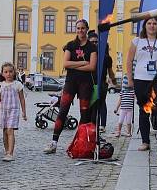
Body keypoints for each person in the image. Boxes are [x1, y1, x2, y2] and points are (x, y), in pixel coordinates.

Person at [43, 19, 97, 154]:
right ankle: (54, 142)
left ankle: (80, 142)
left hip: (86, 83)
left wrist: (76, 64)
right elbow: (65, 64)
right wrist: (82, 62)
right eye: (78, 28)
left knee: (84, 114)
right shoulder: (71, 45)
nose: (80, 31)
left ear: (87, 29)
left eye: (83, 28)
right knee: (63, 111)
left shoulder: (92, 47)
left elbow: (92, 66)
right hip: (71, 82)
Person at [126, 17, 157, 154]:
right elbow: (129, 61)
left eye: (154, 23)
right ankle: (145, 141)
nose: (152, 26)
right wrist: (130, 80)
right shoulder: (137, 41)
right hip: (141, 80)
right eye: (149, 23)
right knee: (144, 111)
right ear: (144, 26)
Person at [0, 62, 26, 161]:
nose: (8, 74)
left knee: (10, 130)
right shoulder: (0, 85)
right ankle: (6, 151)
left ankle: (10, 153)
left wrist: (24, 112)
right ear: (2, 74)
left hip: (13, 110)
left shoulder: (17, 84)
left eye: (10, 71)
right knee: (4, 131)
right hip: (3, 111)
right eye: (6, 72)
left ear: (14, 72)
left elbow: (22, 99)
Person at [88, 30, 115, 133]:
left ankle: (102, 125)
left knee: (101, 104)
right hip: (89, 83)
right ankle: (91, 124)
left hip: (101, 84)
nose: (94, 44)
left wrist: (113, 80)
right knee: (91, 105)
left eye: (96, 42)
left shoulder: (106, 57)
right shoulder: (87, 55)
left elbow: (110, 71)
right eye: (92, 42)